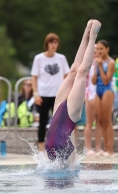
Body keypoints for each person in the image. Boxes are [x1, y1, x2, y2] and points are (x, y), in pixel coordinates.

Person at [45, 19, 101, 162]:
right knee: (81, 71)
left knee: (73, 71)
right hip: (70, 117)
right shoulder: (69, 164)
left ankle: (87, 31)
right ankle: (92, 35)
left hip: (59, 113)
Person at [31, 33, 70, 151]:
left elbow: (66, 76)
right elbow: (34, 77)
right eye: (51, 42)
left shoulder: (61, 58)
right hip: (43, 94)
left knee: (58, 120)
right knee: (42, 121)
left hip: (58, 94)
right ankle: (41, 146)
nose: (53, 45)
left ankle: (57, 144)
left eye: (55, 42)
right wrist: (35, 93)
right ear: (46, 44)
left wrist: (67, 93)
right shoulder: (39, 58)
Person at [92, 40, 115, 157]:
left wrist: (100, 66)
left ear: (107, 49)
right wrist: (96, 66)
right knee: (100, 120)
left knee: (107, 120)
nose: (99, 51)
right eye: (98, 49)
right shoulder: (97, 62)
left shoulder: (111, 62)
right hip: (98, 91)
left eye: (101, 49)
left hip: (107, 91)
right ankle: (103, 148)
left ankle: (109, 149)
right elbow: (93, 81)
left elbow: (106, 80)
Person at [84, 44, 102, 157]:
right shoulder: (88, 65)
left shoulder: (102, 64)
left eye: (98, 51)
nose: (96, 54)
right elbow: (86, 83)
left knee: (99, 122)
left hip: (100, 95)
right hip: (90, 95)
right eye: (94, 52)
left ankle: (98, 147)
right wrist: (88, 97)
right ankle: (88, 147)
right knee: (89, 122)